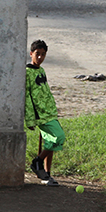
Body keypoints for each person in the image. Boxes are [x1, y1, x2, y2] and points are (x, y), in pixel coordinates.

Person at [25, 39, 66, 186]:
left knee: (50, 142)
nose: (40, 57)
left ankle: (47, 175)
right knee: (59, 137)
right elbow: (27, 97)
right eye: (37, 54)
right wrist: (30, 119)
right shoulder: (27, 72)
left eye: (43, 54)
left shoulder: (41, 70)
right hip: (40, 115)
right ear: (31, 53)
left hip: (49, 112)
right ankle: (37, 162)